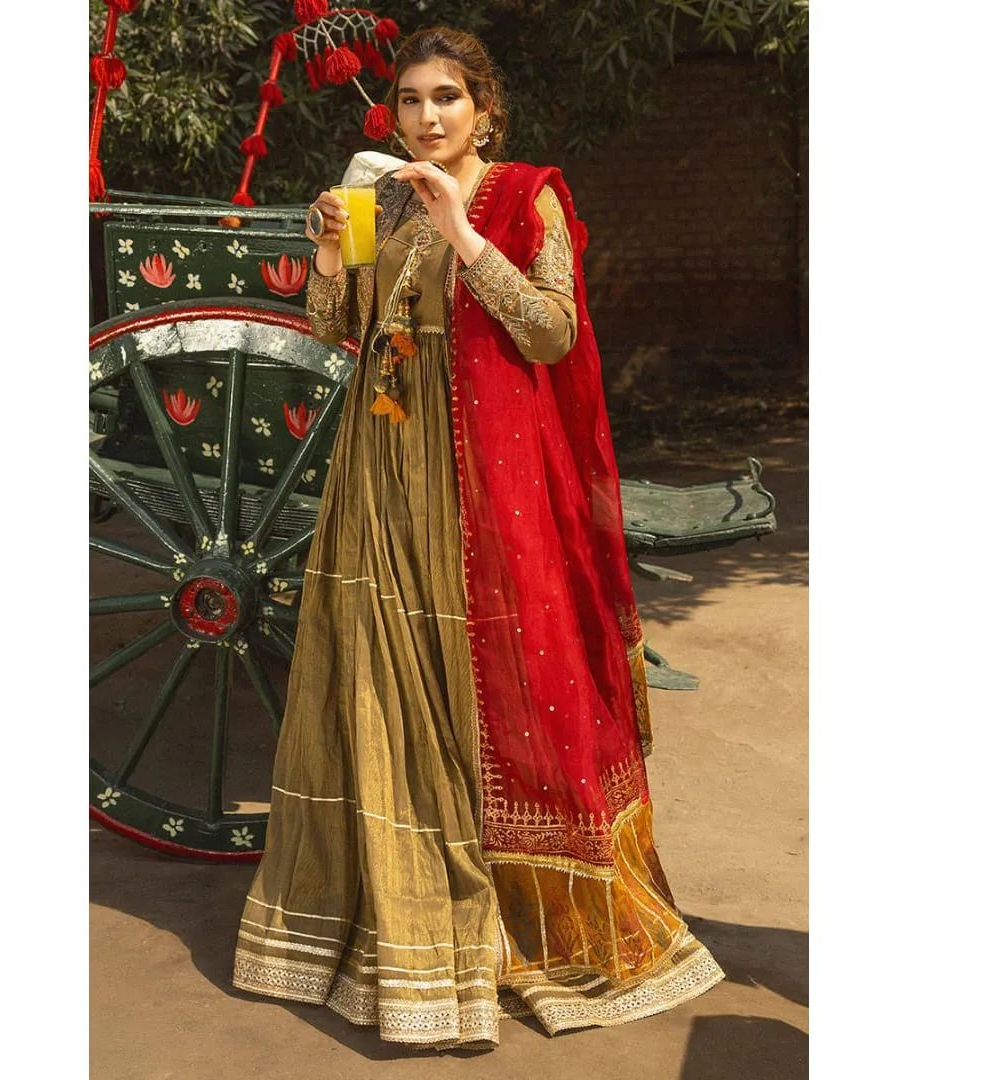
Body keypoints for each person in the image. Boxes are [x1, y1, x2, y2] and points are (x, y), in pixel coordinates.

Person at [232, 25, 724, 1049]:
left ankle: (515, 927)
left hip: (488, 487)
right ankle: (401, 928)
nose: (427, 117)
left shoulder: (523, 196)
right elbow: (338, 328)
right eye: (412, 100)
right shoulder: (385, 201)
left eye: (447, 98)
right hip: (382, 475)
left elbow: (552, 330)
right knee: (385, 679)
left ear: (486, 111)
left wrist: (463, 231)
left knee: (500, 686)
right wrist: (328, 250)